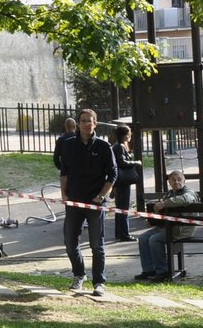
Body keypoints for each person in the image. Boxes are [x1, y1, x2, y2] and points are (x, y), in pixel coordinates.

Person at [59, 108, 117, 297]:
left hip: (95, 203)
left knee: (96, 245)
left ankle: (99, 282)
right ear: (78, 123)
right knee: (70, 242)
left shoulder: (103, 146)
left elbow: (113, 174)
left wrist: (102, 195)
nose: (85, 124)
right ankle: (79, 275)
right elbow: (64, 171)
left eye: (88, 120)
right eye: (82, 120)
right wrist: (64, 194)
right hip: (74, 201)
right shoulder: (69, 145)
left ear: (95, 123)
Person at [135, 169, 195, 281]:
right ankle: (149, 270)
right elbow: (161, 213)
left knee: (154, 239)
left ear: (184, 180)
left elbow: (186, 199)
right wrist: (152, 221)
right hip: (166, 227)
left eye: (179, 179)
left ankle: (163, 271)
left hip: (182, 229)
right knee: (143, 238)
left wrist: (164, 203)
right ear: (169, 183)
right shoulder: (169, 194)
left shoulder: (189, 191)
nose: (176, 182)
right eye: (173, 180)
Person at [108, 123, 141, 241]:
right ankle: (124, 234)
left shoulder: (117, 146)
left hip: (120, 181)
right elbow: (122, 163)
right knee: (123, 208)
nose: (130, 136)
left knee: (120, 207)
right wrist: (136, 162)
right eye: (129, 134)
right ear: (125, 135)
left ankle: (120, 233)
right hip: (123, 181)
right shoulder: (120, 146)